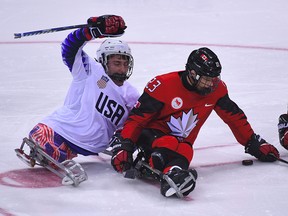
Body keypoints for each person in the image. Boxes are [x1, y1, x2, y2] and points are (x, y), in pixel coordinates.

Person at [110, 47, 280, 198]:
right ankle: (166, 165)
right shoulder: (163, 85)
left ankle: (174, 171)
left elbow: (233, 117)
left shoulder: (216, 89)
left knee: (185, 149)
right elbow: (138, 119)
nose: (211, 83)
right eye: (206, 78)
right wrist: (125, 145)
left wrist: (253, 142)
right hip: (150, 136)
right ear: (192, 73)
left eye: (214, 78)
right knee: (170, 143)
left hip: (180, 145)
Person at [16, 15, 139, 184]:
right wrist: (92, 32)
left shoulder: (131, 94)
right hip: (63, 129)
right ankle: (64, 151)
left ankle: (62, 153)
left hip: (95, 144)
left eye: (125, 64)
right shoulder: (89, 69)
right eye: (117, 63)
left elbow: (136, 122)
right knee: (39, 134)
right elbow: (70, 46)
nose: (122, 68)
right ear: (103, 61)